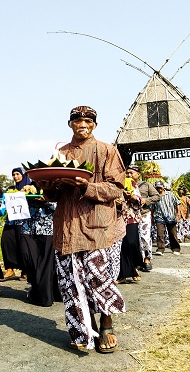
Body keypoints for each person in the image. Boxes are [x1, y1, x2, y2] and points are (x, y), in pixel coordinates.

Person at [38, 106, 126, 353]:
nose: (83, 124)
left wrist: (86, 185)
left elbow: (115, 188)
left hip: (96, 226)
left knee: (98, 278)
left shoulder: (106, 150)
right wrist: (47, 186)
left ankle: (106, 324)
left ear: (94, 125)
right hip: (66, 226)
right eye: (77, 120)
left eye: (88, 120)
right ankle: (82, 330)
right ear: (70, 124)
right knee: (70, 283)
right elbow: (53, 193)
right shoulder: (61, 152)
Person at [20, 194, 61, 306]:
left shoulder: (55, 188)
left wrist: (47, 200)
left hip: (48, 229)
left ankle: (44, 296)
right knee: (27, 258)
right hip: (28, 228)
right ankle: (37, 289)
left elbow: (60, 206)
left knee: (45, 265)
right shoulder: (28, 188)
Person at [0, 167, 33, 280]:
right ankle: (10, 268)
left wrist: (24, 192)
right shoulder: (10, 189)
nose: (15, 176)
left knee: (22, 244)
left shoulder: (30, 188)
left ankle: (25, 270)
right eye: (13, 174)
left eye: (18, 174)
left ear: (23, 175)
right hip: (11, 221)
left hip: (23, 221)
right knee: (6, 241)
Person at [125, 164, 160, 272]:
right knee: (132, 239)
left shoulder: (146, 185)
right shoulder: (124, 184)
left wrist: (145, 201)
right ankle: (135, 261)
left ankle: (147, 258)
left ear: (138, 174)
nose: (129, 175)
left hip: (144, 214)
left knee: (144, 237)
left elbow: (157, 196)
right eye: (127, 173)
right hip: (130, 215)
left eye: (132, 173)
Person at [116, 178, 145, 283]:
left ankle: (135, 266)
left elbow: (139, 199)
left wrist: (131, 197)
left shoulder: (131, 182)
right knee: (121, 245)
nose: (129, 174)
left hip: (130, 216)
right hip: (116, 217)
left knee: (131, 241)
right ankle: (122, 274)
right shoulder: (113, 180)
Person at [152, 181, 181, 255]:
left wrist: (178, 214)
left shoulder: (170, 194)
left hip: (171, 216)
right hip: (159, 217)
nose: (159, 189)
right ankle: (160, 249)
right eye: (157, 188)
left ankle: (175, 248)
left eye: (160, 187)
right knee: (160, 234)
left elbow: (177, 204)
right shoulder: (154, 197)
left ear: (163, 187)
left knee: (173, 233)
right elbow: (152, 208)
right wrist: (152, 217)